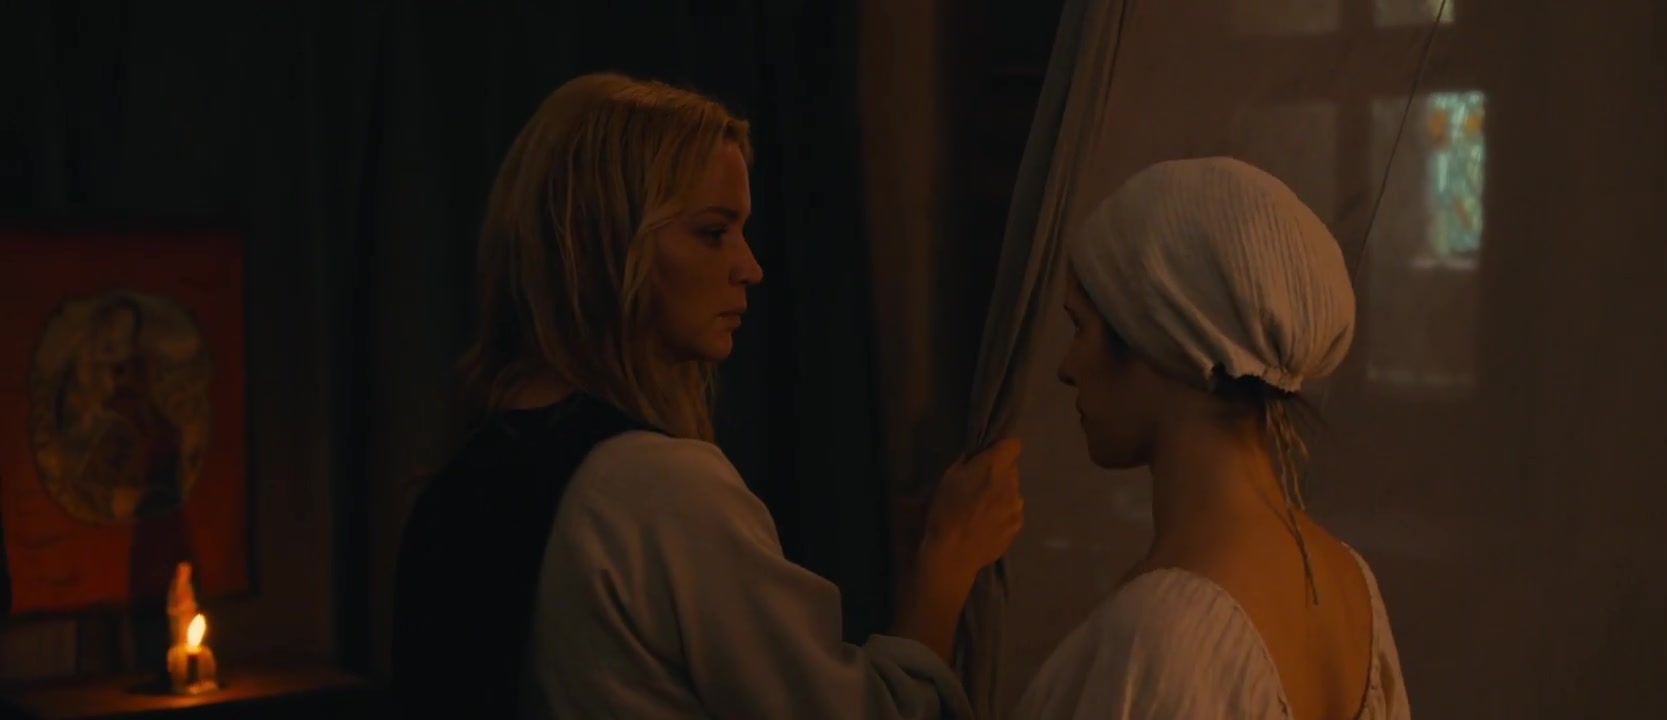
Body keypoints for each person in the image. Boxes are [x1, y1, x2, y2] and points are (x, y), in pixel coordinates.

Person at [391, 72, 1024, 720]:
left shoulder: (453, 487)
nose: (750, 267)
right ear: (609, 241)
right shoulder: (654, 488)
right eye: (713, 232)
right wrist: (946, 562)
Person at [1014, 157, 1409, 719]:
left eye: (1081, 328)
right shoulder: (1351, 584)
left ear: (1159, 337)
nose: (1066, 367)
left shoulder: (1160, 636)